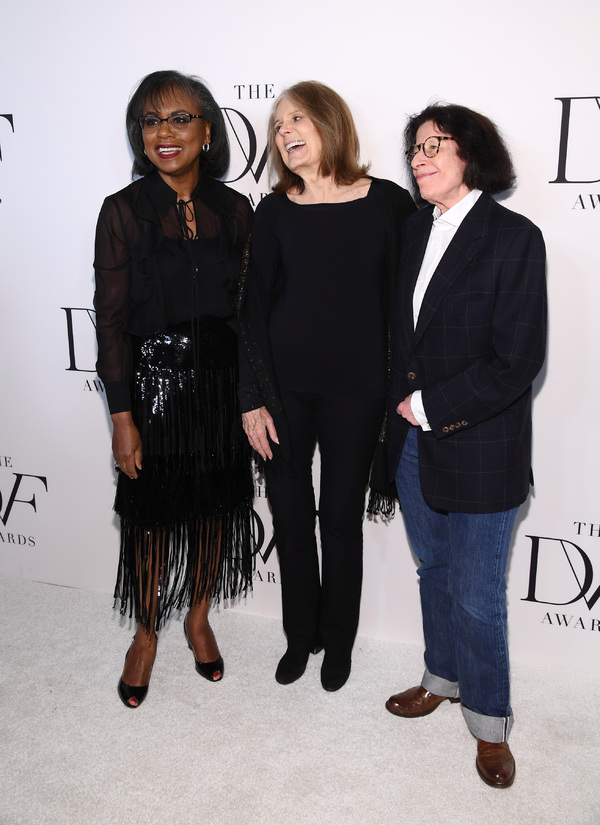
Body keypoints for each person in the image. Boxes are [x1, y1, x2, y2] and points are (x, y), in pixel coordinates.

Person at [384, 104, 547, 787]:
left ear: (471, 155)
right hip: (412, 446)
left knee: (479, 594)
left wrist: (431, 405)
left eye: (434, 146)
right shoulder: (413, 228)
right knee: (434, 575)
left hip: (480, 445)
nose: (419, 159)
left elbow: (517, 361)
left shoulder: (514, 238)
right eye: (415, 148)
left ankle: (488, 720)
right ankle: (442, 677)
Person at [238, 81, 416, 692]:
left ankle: (337, 643)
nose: (285, 131)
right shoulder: (274, 210)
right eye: (278, 123)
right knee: (290, 518)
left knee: (339, 520)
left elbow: (413, 294)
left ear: (330, 124)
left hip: (359, 391)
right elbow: (252, 310)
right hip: (284, 390)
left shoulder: (387, 203)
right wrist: (251, 396)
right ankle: (299, 636)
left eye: (299, 119)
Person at [94, 70, 255, 708]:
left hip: (222, 386)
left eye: (180, 119)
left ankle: (197, 618)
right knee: (151, 518)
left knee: (215, 509)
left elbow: (250, 315)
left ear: (206, 131)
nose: (165, 132)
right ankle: (145, 633)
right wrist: (122, 417)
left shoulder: (235, 209)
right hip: (152, 389)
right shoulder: (123, 212)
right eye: (152, 121)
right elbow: (109, 322)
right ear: (140, 134)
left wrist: (253, 397)